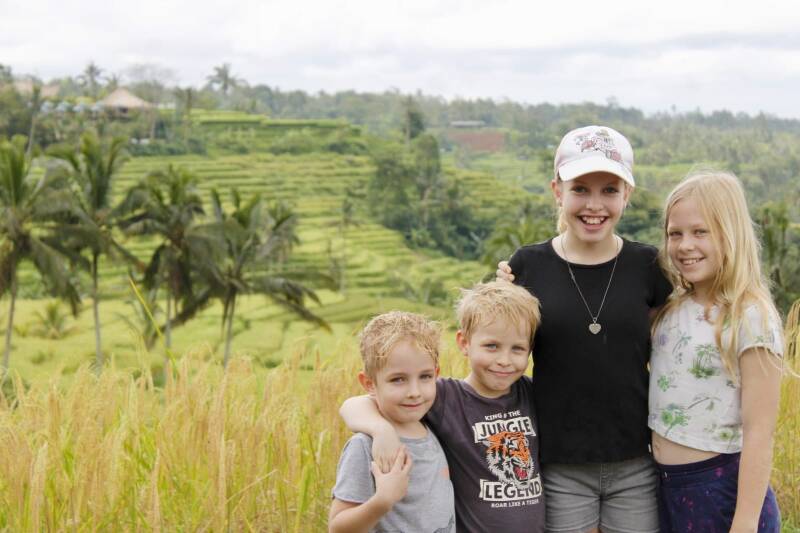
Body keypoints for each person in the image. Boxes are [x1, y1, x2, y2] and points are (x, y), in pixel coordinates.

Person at [497, 125, 672, 533]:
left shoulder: (648, 266)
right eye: (580, 189)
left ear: (627, 194)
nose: (595, 205)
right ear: (557, 191)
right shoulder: (527, 266)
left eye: (609, 190)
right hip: (560, 464)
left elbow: (671, 347)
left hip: (637, 461)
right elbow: (499, 351)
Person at [340, 281, 545, 532]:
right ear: (464, 343)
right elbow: (354, 404)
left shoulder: (532, 393)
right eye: (492, 346)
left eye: (517, 349)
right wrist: (380, 430)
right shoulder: (445, 396)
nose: (504, 360)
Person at [648, 171, 784, 532]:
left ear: (730, 234)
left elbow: (759, 432)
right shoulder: (671, 307)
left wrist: (745, 521)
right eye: (675, 233)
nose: (684, 245)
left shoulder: (751, 316)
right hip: (664, 487)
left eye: (700, 232)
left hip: (720, 491)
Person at [329, 311, 456, 533]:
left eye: (425, 377)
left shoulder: (431, 422)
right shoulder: (364, 446)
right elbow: (337, 528)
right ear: (369, 384)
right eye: (398, 379)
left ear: (436, 374)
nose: (415, 392)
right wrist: (383, 501)